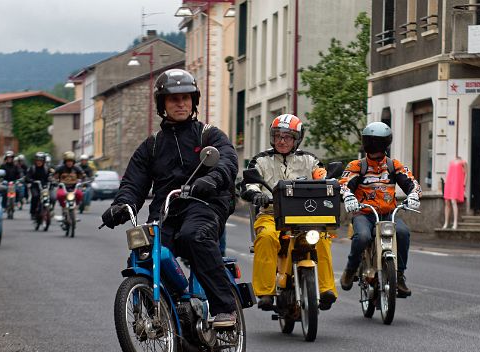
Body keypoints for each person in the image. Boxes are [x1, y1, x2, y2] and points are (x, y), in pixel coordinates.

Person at [101, 69, 238, 329]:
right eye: (173, 99)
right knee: (145, 251)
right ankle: (168, 307)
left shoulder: (209, 135)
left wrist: (211, 180)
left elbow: (228, 161)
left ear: (194, 101)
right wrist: (122, 205)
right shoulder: (151, 146)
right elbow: (133, 183)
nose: (181, 103)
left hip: (205, 203)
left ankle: (224, 308)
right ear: (162, 104)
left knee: (193, 235)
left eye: (186, 98)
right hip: (167, 210)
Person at [241, 113, 338, 311]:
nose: (281, 140)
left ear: (297, 139)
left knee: (322, 238)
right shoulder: (260, 160)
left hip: (307, 217)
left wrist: (334, 184)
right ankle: (266, 292)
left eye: (287, 136)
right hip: (270, 215)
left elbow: (323, 178)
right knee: (266, 237)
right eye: (277, 136)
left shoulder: (309, 160)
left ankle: (326, 289)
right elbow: (250, 183)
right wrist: (255, 194)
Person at [339, 121, 422, 298]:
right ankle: (351, 268)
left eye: (378, 142)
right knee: (362, 237)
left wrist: (414, 195)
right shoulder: (356, 166)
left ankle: (399, 276)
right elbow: (344, 184)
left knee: (403, 233)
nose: (374, 147)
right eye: (371, 142)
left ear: (385, 144)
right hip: (364, 214)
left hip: (389, 214)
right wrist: (348, 197)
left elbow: (411, 182)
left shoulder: (394, 165)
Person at [25, 152, 54, 220]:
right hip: (35, 187)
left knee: (52, 197)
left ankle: (50, 210)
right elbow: (27, 177)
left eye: (40, 160)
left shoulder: (47, 168)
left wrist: (53, 180)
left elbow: (53, 176)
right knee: (35, 196)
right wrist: (31, 180)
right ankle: (33, 212)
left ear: (44, 161)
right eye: (37, 160)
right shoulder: (32, 168)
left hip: (45, 187)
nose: (39, 162)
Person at [442, 156, 467, 230]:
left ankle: (455, 222)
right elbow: (448, 172)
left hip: (456, 183)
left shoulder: (463, 162)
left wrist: (464, 184)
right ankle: (446, 222)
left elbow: (466, 173)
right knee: (447, 202)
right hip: (449, 182)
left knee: (453, 201)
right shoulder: (451, 162)